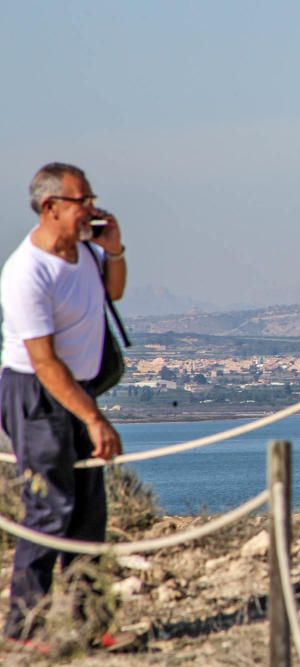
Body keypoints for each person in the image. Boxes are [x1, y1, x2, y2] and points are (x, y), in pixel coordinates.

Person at [0, 163, 126, 645]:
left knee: (89, 512)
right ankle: (25, 629)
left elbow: (114, 293)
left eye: (91, 199)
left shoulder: (86, 254)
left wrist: (114, 251)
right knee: (49, 508)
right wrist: (93, 418)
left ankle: (91, 623)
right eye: (81, 201)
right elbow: (44, 362)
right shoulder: (26, 272)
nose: (91, 209)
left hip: (79, 388)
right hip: (36, 392)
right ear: (50, 207)